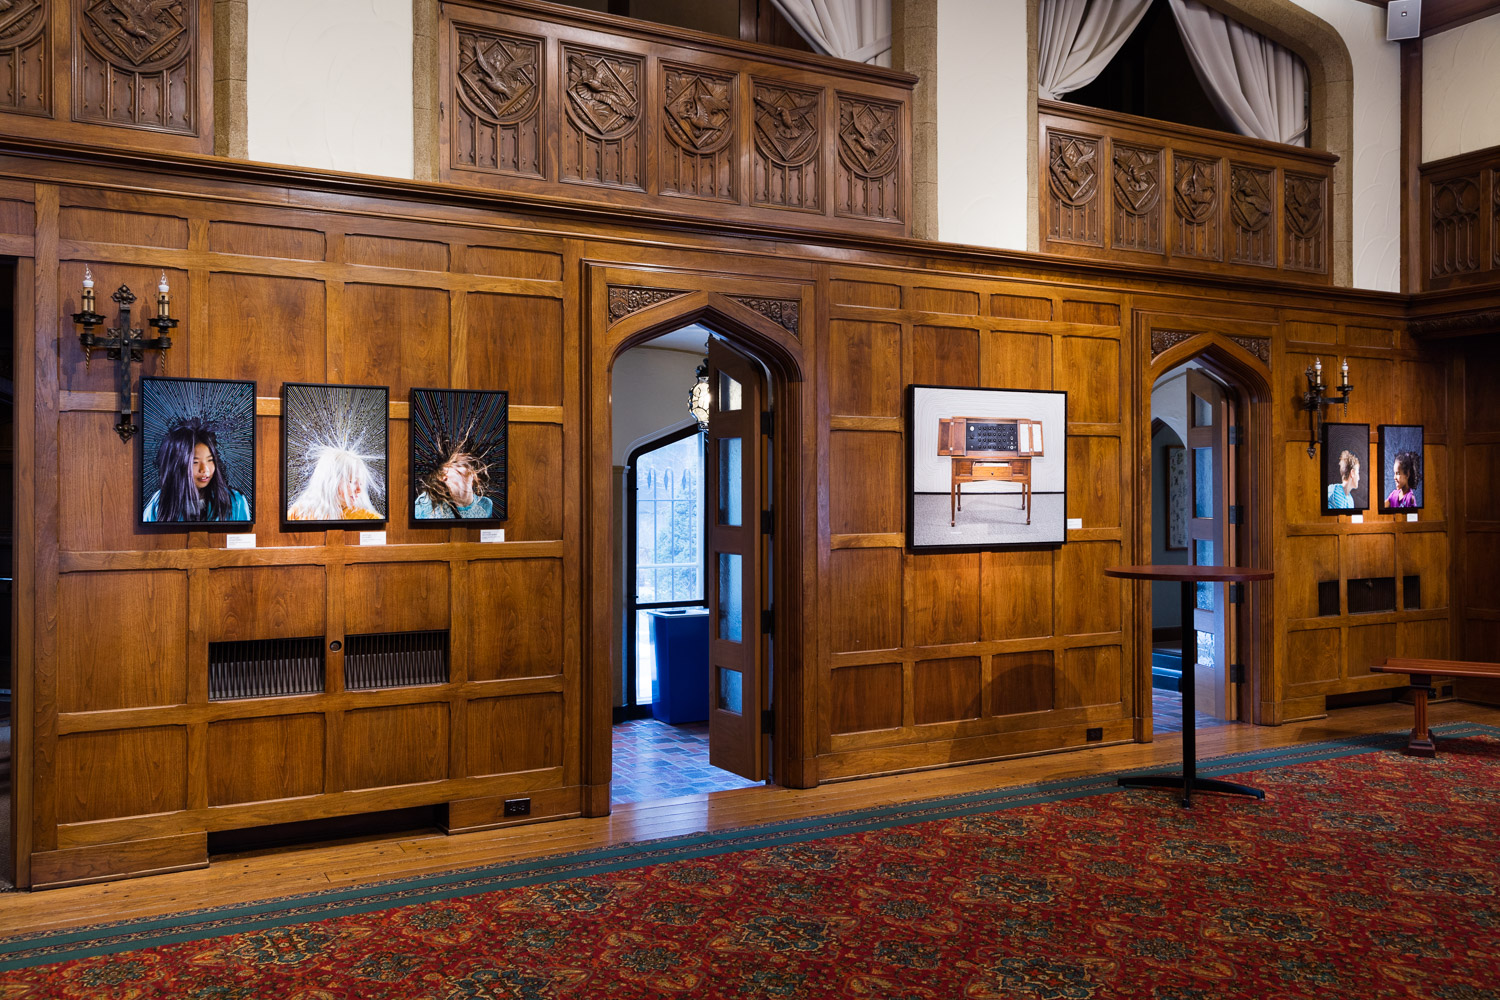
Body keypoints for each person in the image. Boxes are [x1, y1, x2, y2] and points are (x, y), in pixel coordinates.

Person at [143, 418, 251, 523]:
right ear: (177, 465)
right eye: (195, 462)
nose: (205, 470)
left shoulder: (235, 501)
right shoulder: (159, 503)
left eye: (210, 460)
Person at [288, 446, 382, 521]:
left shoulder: (368, 517)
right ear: (331, 482)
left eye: (361, 483)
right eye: (353, 482)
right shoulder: (297, 513)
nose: (359, 490)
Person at [415, 444, 494, 519]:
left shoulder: (485, 504)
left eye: (468, 465)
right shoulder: (427, 501)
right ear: (442, 476)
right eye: (457, 464)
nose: (468, 468)